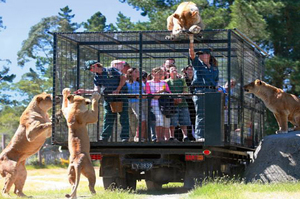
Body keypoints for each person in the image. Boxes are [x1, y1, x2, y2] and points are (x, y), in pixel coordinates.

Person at [75, 60, 130, 142]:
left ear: (96, 66)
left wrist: (117, 90)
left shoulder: (111, 70)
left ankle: (125, 137)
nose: (91, 71)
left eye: (90, 68)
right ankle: (104, 138)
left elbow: (123, 78)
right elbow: (97, 90)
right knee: (108, 117)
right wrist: (84, 91)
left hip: (121, 95)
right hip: (109, 98)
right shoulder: (96, 77)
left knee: (124, 117)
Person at [189, 35, 219, 142]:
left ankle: (210, 136)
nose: (200, 56)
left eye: (202, 54)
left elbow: (216, 80)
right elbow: (191, 53)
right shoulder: (198, 64)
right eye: (200, 54)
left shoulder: (214, 68)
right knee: (201, 114)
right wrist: (191, 40)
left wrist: (217, 87)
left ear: (208, 55)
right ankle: (199, 136)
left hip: (212, 92)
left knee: (210, 115)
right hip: (200, 91)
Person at [166, 65, 191, 142]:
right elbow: (166, 92)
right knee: (172, 121)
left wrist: (180, 97)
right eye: (172, 69)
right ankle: (171, 136)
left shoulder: (182, 80)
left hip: (183, 103)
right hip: (172, 104)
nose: (174, 70)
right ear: (169, 72)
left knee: (184, 120)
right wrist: (173, 99)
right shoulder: (167, 82)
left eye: (175, 69)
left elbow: (185, 90)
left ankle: (185, 136)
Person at [145, 67, 171, 142]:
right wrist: (159, 93)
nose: (160, 75)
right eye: (158, 73)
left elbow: (169, 92)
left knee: (163, 121)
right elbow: (148, 93)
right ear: (153, 73)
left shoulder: (164, 83)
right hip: (153, 104)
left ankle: (161, 137)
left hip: (163, 104)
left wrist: (159, 95)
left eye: (161, 74)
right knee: (159, 119)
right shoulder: (148, 83)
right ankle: (158, 137)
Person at [126, 67, 147, 142]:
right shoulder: (126, 83)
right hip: (130, 103)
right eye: (136, 72)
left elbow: (145, 92)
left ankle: (139, 137)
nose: (138, 73)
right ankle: (131, 137)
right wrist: (135, 95)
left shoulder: (140, 82)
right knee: (131, 121)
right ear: (130, 73)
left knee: (143, 119)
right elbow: (125, 93)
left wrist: (143, 95)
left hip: (141, 103)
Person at [183, 65, 196, 141]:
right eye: (189, 70)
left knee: (194, 118)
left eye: (192, 69)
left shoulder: (196, 79)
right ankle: (189, 135)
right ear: (186, 71)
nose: (190, 71)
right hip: (187, 102)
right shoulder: (183, 80)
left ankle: (195, 135)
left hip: (194, 101)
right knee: (187, 119)